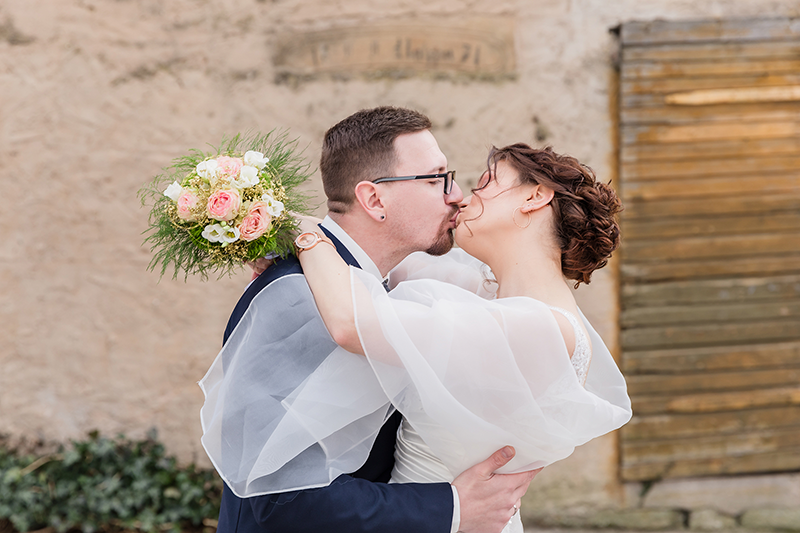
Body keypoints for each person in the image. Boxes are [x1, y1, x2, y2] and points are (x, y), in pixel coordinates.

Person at [200, 107, 539, 533]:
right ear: (374, 199)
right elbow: (277, 497)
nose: (456, 195)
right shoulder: (299, 300)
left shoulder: (364, 283)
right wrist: (450, 507)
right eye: (436, 179)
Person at [290, 143, 633, 533]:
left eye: (485, 184)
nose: (463, 200)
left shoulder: (540, 330)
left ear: (535, 196)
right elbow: (382, 265)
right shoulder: (488, 297)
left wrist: (305, 236)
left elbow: (352, 324)